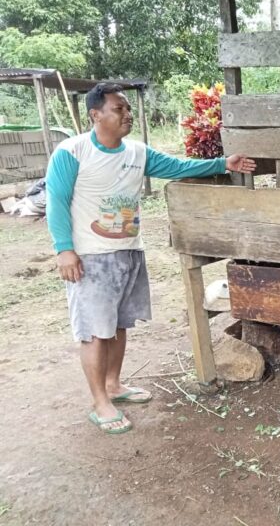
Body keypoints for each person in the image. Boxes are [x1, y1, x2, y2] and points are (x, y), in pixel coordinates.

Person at [46, 83, 256, 435]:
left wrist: (223, 162)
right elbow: (56, 201)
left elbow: (175, 166)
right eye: (118, 109)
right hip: (90, 258)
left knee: (120, 325)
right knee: (95, 333)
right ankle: (100, 402)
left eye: (128, 109)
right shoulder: (72, 152)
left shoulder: (137, 152)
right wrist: (64, 249)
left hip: (129, 252)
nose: (127, 115)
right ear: (95, 114)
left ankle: (114, 385)